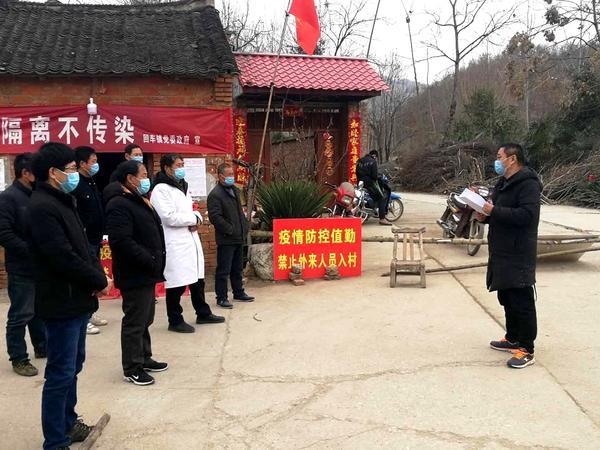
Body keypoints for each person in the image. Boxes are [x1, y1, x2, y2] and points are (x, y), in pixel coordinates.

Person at [28, 142, 111, 449]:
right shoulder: (42, 207)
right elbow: (62, 256)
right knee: (60, 373)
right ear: (54, 172)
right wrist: (96, 279)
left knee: (73, 366)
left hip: (77, 299)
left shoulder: (64, 200)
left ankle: (68, 422)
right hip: (60, 301)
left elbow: (83, 247)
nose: (76, 173)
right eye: (72, 169)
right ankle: (55, 441)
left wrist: (98, 275)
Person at [477, 143, 542, 369]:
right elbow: (497, 210)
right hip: (501, 250)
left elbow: (527, 215)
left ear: (512, 159)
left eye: (499, 156)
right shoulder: (503, 183)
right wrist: (484, 215)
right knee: (506, 296)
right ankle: (513, 337)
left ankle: (526, 348)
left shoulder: (528, 184)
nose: (497, 161)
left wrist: (493, 211)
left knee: (521, 299)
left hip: (518, 251)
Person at [105, 160, 168, 386]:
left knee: (146, 318)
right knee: (135, 320)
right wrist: (148, 258)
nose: (146, 178)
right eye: (142, 175)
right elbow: (121, 241)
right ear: (130, 179)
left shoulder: (138, 199)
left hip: (147, 271)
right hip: (135, 272)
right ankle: (132, 367)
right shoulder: (118, 204)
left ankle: (144, 357)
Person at [150, 154, 225, 332]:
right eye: (178, 165)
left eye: (182, 164)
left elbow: (193, 210)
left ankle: (203, 313)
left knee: (197, 279)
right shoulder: (161, 190)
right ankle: (175, 320)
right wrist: (193, 218)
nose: (182, 168)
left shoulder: (183, 186)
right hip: (174, 242)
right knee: (176, 283)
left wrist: (195, 218)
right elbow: (168, 217)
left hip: (190, 239)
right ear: (167, 168)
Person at [0, 153, 47, 377]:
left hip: (40, 266)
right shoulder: (8, 198)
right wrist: (30, 251)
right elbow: (4, 234)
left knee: (38, 310)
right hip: (21, 267)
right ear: (25, 173)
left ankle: (42, 346)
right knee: (21, 314)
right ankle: (19, 358)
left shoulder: (36, 195)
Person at [207, 163, 254, 309]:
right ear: (221, 176)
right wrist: (230, 229)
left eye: (232, 174)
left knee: (237, 268)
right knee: (223, 270)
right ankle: (221, 297)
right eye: (229, 175)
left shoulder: (234, 190)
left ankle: (238, 292)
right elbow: (215, 217)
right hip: (226, 238)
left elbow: (239, 212)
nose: (231, 177)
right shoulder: (215, 195)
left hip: (238, 236)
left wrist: (244, 226)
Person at [73, 146, 108, 335]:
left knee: (94, 275)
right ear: (82, 163)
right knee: (86, 278)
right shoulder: (75, 185)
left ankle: (91, 312)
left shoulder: (91, 181)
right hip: (84, 240)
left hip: (95, 238)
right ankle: (84, 318)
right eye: (93, 162)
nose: (96, 165)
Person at [356, 150, 392, 225]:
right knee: (381, 198)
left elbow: (357, 173)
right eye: (376, 157)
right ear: (374, 156)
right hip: (369, 184)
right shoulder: (373, 161)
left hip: (360, 184)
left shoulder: (359, 161)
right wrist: (378, 178)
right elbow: (374, 176)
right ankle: (382, 219)